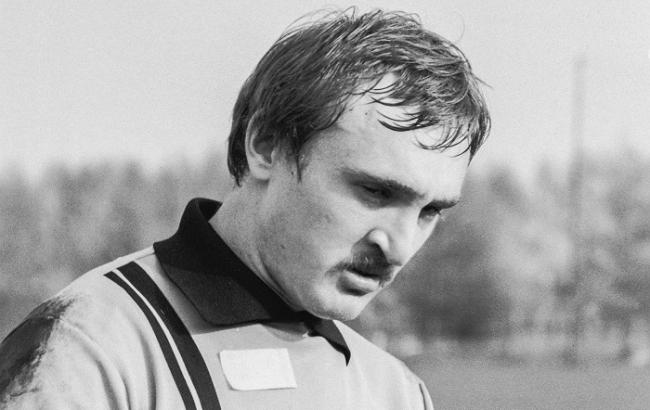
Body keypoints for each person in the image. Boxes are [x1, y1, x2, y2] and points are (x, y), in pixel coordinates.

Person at [0, 8, 489, 409]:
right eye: (375, 192)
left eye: (430, 212)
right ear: (266, 147)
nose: (399, 246)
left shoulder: (394, 392)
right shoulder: (86, 350)